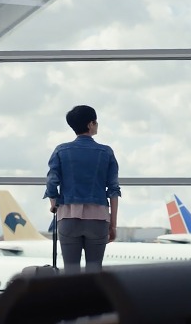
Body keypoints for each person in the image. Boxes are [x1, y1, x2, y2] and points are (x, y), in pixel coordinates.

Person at [44, 105, 121, 274]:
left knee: (71, 272)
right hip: (98, 219)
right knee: (95, 271)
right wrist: (113, 225)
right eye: (96, 122)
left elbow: (51, 183)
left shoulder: (61, 150)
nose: (97, 124)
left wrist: (54, 204)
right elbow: (113, 190)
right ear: (90, 124)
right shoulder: (106, 152)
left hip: (68, 217)